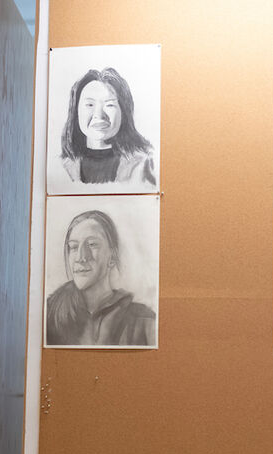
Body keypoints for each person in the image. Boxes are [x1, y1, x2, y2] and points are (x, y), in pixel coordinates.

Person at [45, 209, 156, 346]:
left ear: (112, 257)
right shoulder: (50, 315)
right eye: (74, 247)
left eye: (92, 245)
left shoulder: (144, 320)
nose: (81, 257)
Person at [60, 67, 157, 186]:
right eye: (89, 104)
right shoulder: (62, 167)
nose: (99, 115)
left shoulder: (144, 164)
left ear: (124, 112)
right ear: (76, 112)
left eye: (109, 105)